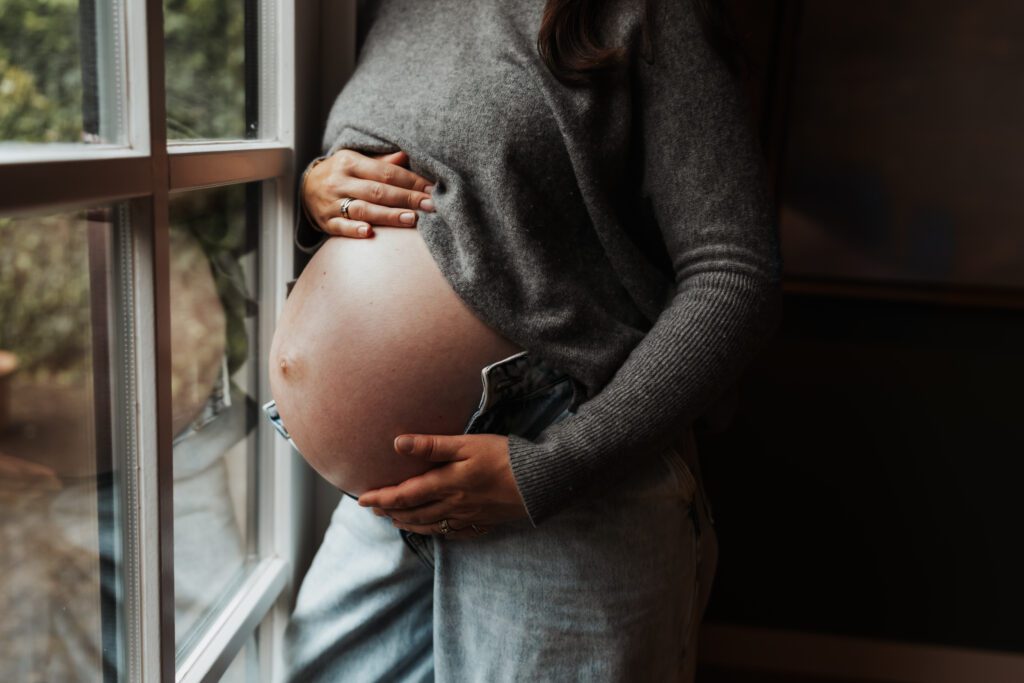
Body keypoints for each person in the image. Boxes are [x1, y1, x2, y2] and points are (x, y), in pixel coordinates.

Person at [278, 0, 782, 680]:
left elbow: (735, 272)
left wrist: (551, 467)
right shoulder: (397, 9)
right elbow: (455, 200)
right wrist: (315, 193)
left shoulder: (648, 11)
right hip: (386, 507)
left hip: (562, 486)